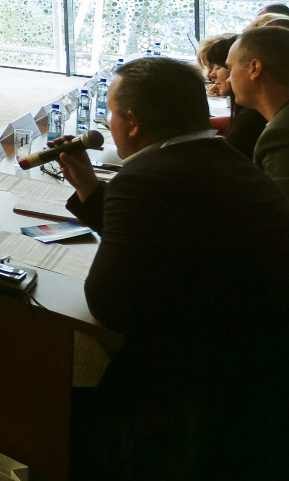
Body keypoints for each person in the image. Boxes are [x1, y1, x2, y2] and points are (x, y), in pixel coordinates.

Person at [55, 57, 289, 479]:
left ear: (133, 122)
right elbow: (162, 239)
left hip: (197, 390)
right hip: (260, 364)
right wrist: (89, 186)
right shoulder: (223, 157)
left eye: (112, 113)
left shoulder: (146, 176)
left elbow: (110, 306)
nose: (109, 124)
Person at [227, 26, 289, 198]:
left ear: (254, 68)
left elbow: (279, 208)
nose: (228, 78)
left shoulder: (281, 135)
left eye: (230, 68)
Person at [196, 34, 265, 158]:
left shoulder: (253, 116)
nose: (210, 75)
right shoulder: (249, 111)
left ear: (254, 68)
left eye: (217, 67)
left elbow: (227, 155)